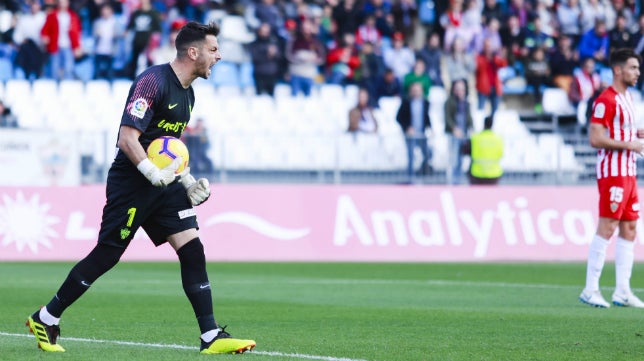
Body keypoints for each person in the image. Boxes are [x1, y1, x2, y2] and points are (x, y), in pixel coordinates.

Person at [25, 22, 256, 354]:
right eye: (213, 49)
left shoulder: (188, 94)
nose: (219, 56)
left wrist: (186, 180)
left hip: (163, 185)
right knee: (107, 254)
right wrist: (150, 171)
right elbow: (128, 138)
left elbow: (167, 144)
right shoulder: (152, 82)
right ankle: (46, 317)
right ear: (193, 52)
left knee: (192, 249)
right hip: (132, 182)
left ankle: (211, 337)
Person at [579, 48, 644, 309]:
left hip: (629, 173)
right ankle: (590, 289)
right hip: (613, 173)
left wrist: (636, 134)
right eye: (633, 68)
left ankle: (622, 291)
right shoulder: (606, 99)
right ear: (618, 70)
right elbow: (595, 138)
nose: (637, 73)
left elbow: (623, 131)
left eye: (638, 68)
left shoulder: (628, 98)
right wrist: (630, 145)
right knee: (607, 227)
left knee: (630, 228)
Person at [396, 81, 431, 183]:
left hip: (422, 134)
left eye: (418, 90)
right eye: (414, 90)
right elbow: (399, 117)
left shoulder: (425, 103)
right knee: (411, 156)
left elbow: (426, 117)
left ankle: (423, 174)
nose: (416, 92)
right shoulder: (406, 102)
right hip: (410, 135)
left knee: (427, 154)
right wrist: (407, 127)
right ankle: (410, 178)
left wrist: (429, 127)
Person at [40, 0, 83, 80]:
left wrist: (77, 46)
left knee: (69, 67)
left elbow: (77, 32)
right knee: (54, 67)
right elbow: (44, 30)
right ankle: (54, 85)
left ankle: (67, 85)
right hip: (55, 45)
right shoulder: (52, 15)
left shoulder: (73, 16)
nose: (62, 4)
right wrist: (45, 37)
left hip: (68, 45)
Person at [444, 79, 472, 185]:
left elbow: (468, 118)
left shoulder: (465, 103)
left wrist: (471, 127)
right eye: (458, 89)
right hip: (453, 134)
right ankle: (451, 181)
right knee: (453, 159)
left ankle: (458, 180)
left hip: (463, 134)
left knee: (461, 159)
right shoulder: (450, 102)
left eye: (462, 89)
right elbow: (448, 118)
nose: (460, 91)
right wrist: (454, 128)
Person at [462, 115, 503, 185]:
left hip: (477, 175)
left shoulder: (475, 138)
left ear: (484, 124)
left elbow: (464, 150)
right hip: (494, 175)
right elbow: (500, 154)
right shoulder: (498, 139)